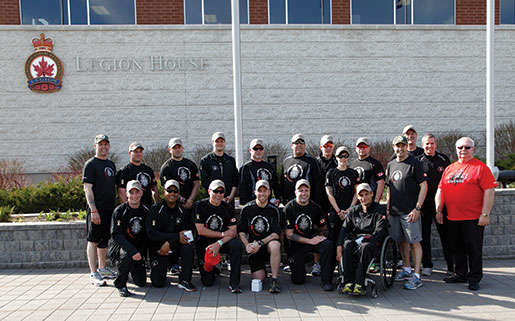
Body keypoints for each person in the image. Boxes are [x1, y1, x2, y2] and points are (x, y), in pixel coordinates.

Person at [435, 137, 496, 291]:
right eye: (460, 147)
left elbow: (489, 191)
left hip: (473, 218)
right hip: (452, 217)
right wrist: (439, 210)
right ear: (456, 150)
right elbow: (441, 190)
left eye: (467, 147)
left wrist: (485, 214)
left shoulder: (481, 168)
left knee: (474, 249)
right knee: (456, 248)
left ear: (473, 149)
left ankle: (474, 278)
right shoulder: (450, 168)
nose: (463, 150)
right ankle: (460, 273)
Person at [386, 135, 427, 290]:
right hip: (396, 212)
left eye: (402, 145)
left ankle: (416, 276)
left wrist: (417, 208)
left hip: (410, 212)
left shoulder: (414, 163)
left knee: (414, 242)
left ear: (406, 146)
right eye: (397, 145)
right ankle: (406, 269)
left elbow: (424, 186)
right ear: (393, 147)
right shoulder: (391, 164)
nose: (400, 148)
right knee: (402, 241)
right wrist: (389, 207)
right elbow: (389, 188)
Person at [336, 183, 387, 295]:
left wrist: (366, 240)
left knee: (365, 246)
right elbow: (344, 230)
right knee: (347, 244)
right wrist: (339, 247)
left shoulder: (379, 210)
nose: (364, 198)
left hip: (372, 243)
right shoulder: (354, 211)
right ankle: (348, 282)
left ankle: (360, 283)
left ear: (372, 194)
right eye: (361, 195)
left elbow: (380, 231)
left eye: (366, 194)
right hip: (356, 241)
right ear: (358, 197)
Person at [284, 179, 335, 291]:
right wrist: (310, 241)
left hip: (312, 239)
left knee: (328, 245)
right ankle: (296, 265)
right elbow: (289, 235)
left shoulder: (315, 207)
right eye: (300, 190)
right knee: (298, 280)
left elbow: (324, 225)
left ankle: (327, 281)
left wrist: (316, 230)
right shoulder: (289, 208)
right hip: (296, 244)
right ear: (295, 192)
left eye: (306, 190)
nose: (304, 193)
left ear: (310, 192)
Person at [146, 180, 196, 291]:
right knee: (158, 283)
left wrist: (170, 242)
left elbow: (187, 234)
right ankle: (162, 269)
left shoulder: (183, 211)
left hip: (175, 246)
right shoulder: (155, 209)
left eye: (175, 191)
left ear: (178, 193)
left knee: (189, 246)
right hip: (160, 248)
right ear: (164, 192)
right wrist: (174, 237)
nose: (172, 193)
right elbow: (151, 234)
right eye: (169, 190)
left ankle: (185, 280)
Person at [194, 179, 242, 293]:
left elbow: (233, 232)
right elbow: (200, 230)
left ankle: (234, 284)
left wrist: (219, 243)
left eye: (221, 192)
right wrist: (221, 234)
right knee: (207, 282)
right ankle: (214, 268)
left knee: (236, 246)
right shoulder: (200, 206)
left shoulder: (228, 208)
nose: (218, 195)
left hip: (222, 242)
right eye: (216, 191)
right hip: (204, 242)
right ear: (209, 191)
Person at [82, 134, 117, 286]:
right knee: (93, 240)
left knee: (104, 240)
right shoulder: (90, 165)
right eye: (100, 144)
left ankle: (103, 268)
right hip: (96, 209)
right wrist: (93, 209)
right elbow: (87, 189)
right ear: (95, 146)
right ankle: (93, 272)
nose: (103, 147)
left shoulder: (110, 164)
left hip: (108, 209)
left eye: (106, 144)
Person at [238, 180, 282, 293]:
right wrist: (247, 245)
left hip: (267, 245)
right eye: (259, 191)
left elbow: (276, 234)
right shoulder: (247, 209)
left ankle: (275, 279)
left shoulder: (274, 210)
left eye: (265, 191)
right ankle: (263, 271)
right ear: (255, 192)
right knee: (258, 279)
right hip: (254, 248)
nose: (262, 193)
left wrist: (260, 243)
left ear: (269, 192)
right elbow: (241, 232)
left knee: (275, 245)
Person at [418, 134, 452, 276]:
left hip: (442, 207)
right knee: (424, 236)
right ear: (423, 145)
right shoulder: (418, 161)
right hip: (425, 206)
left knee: (446, 236)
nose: (429, 146)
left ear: (436, 144)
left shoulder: (444, 160)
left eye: (432, 143)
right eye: (427, 144)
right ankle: (427, 265)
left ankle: (452, 266)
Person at [111, 180, 149, 297]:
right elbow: (116, 235)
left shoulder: (146, 210)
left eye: (136, 192)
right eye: (131, 193)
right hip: (123, 247)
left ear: (141, 193)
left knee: (141, 283)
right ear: (126, 194)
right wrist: (132, 251)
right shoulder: (119, 211)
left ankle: (130, 268)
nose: (134, 196)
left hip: (138, 249)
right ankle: (121, 284)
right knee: (126, 256)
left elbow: (149, 233)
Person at [312, 135, 337, 276]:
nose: (328, 148)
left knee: (333, 234)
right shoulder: (315, 162)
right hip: (317, 203)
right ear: (320, 147)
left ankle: (331, 263)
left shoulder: (337, 162)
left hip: (333, 205)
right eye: (325, 146)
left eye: (330, 145)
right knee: (317, 231)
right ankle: (317, 263)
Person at [325, 146, 359, 243]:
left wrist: (350, 208)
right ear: (336, 157)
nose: (343, 159)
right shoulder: (331, 173)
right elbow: (329, 193)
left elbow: (357, 192)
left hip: (350, 211)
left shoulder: (353, 173)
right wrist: (338, 211)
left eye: (345, 156)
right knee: (334, 238)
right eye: (340, 156)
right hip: (335, 212)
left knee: (349, 239)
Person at [159, 137, 200, 210]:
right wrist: (183, 202)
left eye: (179, 147)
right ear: (170, 150)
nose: (177, 150)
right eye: (174, 148)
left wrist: (190, 200)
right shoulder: (166, 167)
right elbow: (168, 189)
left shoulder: (191, 164)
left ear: (182, 148)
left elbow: (196, 184)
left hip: (191, 204)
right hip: (174, 206)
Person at [238, 139, 280, 206]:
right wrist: (247, 206)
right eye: (255, 149)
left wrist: (277, 198)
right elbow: (243, 190)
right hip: (252, 205)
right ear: (250, 150)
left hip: (268, 204)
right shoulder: (245, 168)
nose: (258, 151)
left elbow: (275, 184)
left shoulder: (269, 167)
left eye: (261, 149)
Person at [200, 132, 239, 204]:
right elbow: (205, 182)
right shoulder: (205, 161)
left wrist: (231, 196)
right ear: (212, 142)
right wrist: (218, 197)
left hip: (228, 201)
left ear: (225, 142)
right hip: (212, 201)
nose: (220, 143)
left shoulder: (230, 160)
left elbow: (235, 180)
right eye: (217, 141)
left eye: (222, 141)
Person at [117, 142, 159, 208]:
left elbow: (154, 187)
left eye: (140, 152)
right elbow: (121, 192)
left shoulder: (148, 169)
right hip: (132, 209)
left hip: (147, 208)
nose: (139, 154)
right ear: (130, 153)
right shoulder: (124, 171)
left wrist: (157, 205)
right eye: (136, 152)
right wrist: (126, 209)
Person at [350, 137, 386, 203]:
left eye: (364, 146)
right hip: (356, 203)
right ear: (356, 149)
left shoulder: (375, 164)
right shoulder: (352, 165)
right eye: (359, 147)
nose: (362, 149)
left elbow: (381, 183)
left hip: (370, 202)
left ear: (369, 148)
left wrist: (376, 201)